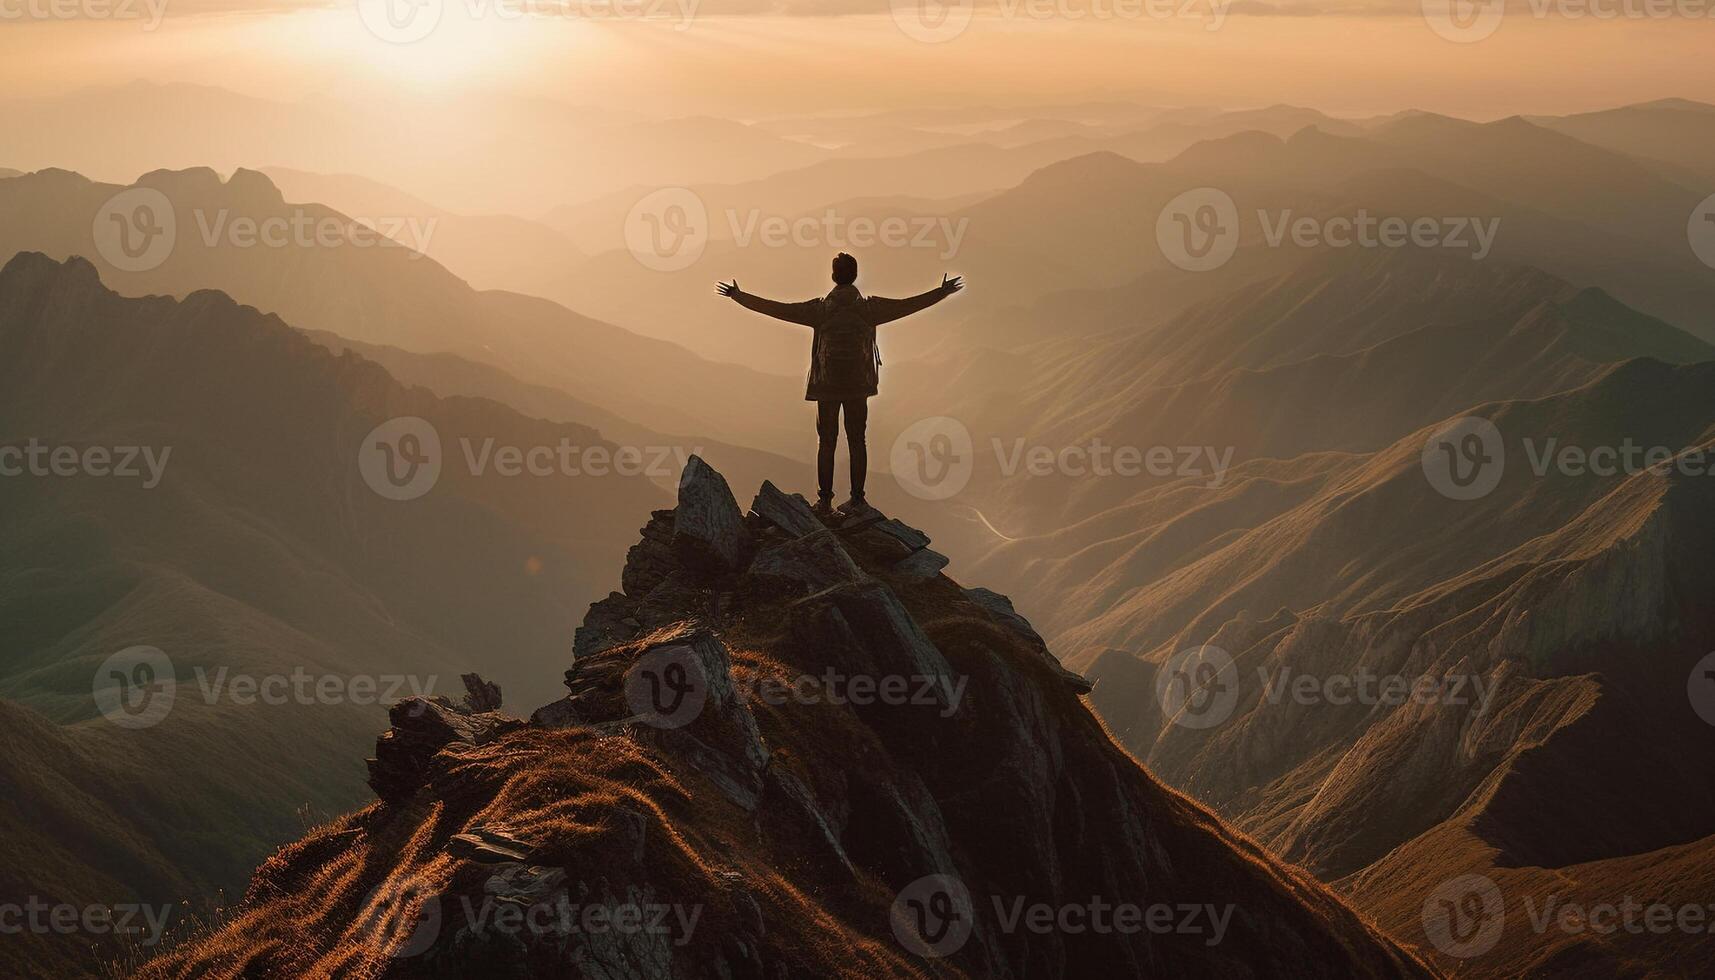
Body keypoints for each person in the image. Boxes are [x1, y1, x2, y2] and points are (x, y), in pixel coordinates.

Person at [717, 252, 962, 515]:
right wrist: (941, 292)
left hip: (827, 385)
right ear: (855, 275)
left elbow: (778, 309)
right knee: (858, 440)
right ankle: (857, 499)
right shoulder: (870, 309)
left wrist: (739, 297)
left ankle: (824, 501)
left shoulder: (820, 310)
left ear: (834, 276)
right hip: (859, 384)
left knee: (827, 441)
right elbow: (909, 305)